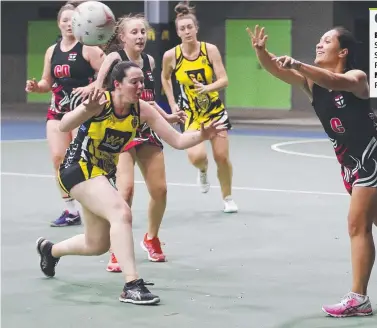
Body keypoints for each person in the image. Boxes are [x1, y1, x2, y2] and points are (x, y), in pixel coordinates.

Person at [247, 25, 377, 317]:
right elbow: (277, 71)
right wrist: (262, 53)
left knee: (357, 224)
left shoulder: (357, 78)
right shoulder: (311, 82)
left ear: (342, 51)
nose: (319, 44)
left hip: (375, 155)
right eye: (318, 39)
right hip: (350, 161)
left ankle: (359, 299)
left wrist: (299, 64)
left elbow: (334, 80)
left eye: (326, 40)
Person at [35, 60, 227, 305]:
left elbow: (177, 141)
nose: (140, 87)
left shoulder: (142, 109)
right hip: (77, 169)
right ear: (117, 84)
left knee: (97, 244)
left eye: (142, 82)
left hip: (101, 175)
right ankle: (131, 285)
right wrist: (86, 110)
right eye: (133, 82)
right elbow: (64, 124)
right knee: (121, 212)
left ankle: (49, 251)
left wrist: (203, 134)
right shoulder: (100, 101)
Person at [95, 14, 186, 272]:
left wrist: (166, 116)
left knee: (160, 191)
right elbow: (98, 91)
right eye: (134, 32)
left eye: (142, 32)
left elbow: (147, 98)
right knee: (125, 192)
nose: (140, 36)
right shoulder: (114, 60)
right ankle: (117, 249)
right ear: (122, 37)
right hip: (122, 132)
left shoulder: (149, 61)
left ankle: (151, 238)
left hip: (146, 131)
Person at [25, 3, 105, 227]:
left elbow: (107, 75)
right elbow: (46, 82)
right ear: (58, 23)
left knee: (84, 161)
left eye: (73, 20)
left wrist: (92, 88)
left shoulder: (89, 48)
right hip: (58, 112)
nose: (69, 24)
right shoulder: (53, 51)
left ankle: (95, 205)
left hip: (84, 113)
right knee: (58, 159)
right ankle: (70, 210)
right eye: (65, 20)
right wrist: (36, 87)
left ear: (80, 23)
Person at [162, 2, 238, 213]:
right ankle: (202, 170)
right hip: (190, 114)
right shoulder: (172, 56)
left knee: (221, 157)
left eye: (190, 27)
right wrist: (172, 104)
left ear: (196, 28)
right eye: (182, 28)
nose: (187, 31)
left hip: (213, 111)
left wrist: (207, 88)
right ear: (177, 32)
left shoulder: (209, 50)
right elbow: (165, 79)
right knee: (197, 157)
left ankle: (228, 197)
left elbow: (224, 80)